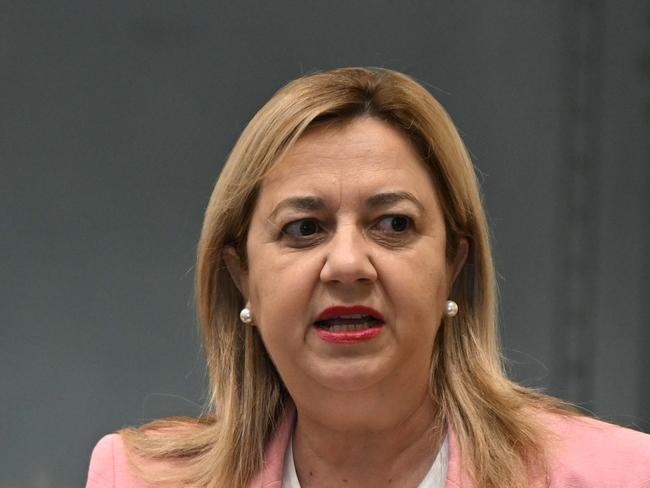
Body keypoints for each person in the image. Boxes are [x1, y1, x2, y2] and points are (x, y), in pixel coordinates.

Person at [86, 67, 650, 488]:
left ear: (453, 266)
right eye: (305, 228)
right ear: (241, 276)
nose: (349, 264)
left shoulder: (622, 475)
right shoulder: (133, 478)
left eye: (393, 224)